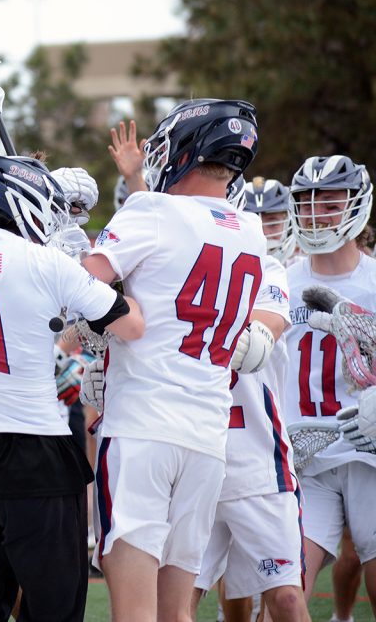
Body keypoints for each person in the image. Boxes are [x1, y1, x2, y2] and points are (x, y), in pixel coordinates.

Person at [0, 154, 144, 621]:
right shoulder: (49, 264)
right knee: (53, 613)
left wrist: (13, 176)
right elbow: (131, 325)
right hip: (38, 456)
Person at [83, 99, 267, 621]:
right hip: (208, 436)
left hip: (143, 425)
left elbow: (84, 284)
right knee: (177, 613)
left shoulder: (150, 211)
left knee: (135, 614)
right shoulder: (250, 231)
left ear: (186, 151)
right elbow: (180, 241)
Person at [188, 186, 308, 622]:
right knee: (179, 600)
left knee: (287, 600)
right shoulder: (167, 267)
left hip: (257, 459)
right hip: (191, 454)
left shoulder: (267, 268)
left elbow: (258, 341)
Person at [281, 155, 376, 616]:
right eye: (308, 203)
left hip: (369, 453)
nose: (318, 213)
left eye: (331, 203)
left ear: (357, 207)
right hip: (304, 455)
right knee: (283, 593)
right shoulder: (278, 279)